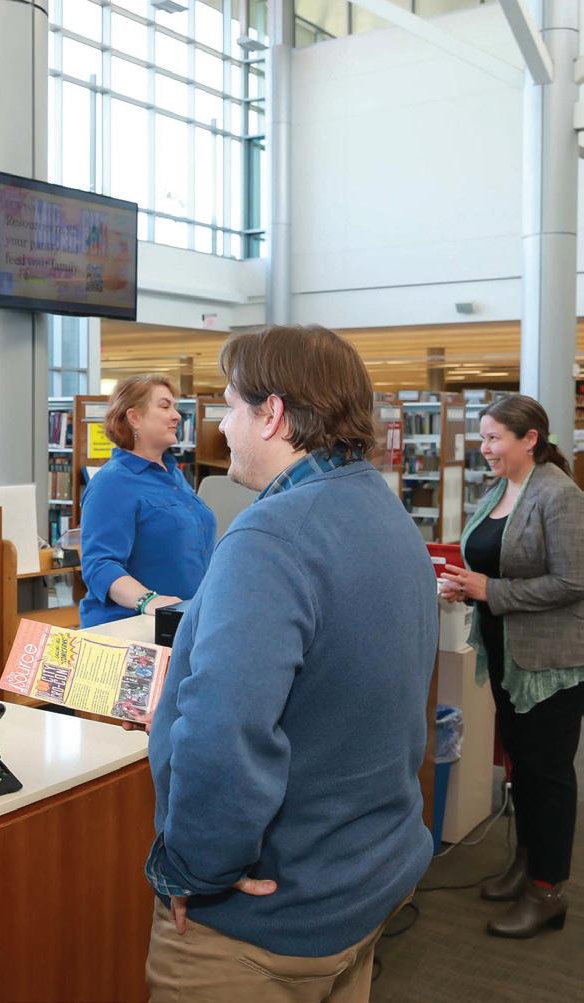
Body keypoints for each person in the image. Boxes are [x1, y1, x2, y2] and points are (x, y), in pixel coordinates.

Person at [145, 325, 437, 1003]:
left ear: (271, 413)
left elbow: (223, 732)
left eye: (230, 407)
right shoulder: (383, 510)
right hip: (362, 881)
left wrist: (195, 868)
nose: (221, 427)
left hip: (264, 927)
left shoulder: (271, 538)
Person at [440, 394, 584, 939]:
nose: (484, 448)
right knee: (522, 765)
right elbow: (492, 560)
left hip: (550, 662)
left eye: (494, 438)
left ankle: (548, 892)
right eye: (482, 437)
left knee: (548, 774)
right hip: (507, 653)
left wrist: (491, 591)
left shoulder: (559, 495)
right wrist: (468, 587)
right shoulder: (500, 489)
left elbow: (574, 581)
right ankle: (527, 862)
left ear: (530, 439)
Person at [79, 374, 216, 627]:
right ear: (134, 418)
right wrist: (148, 600)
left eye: (174, 407)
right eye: (165, 406)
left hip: (184, 622)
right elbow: (100, 565)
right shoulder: (112, 482)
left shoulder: (174, 475)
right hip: (131, 627)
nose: (176, 416)